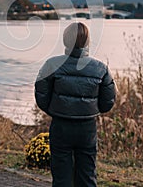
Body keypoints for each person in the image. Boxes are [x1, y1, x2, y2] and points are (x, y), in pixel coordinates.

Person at [35, 22, 116, 187]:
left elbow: (41, 95)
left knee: (61, 178)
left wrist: (56, 110)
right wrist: (90, 110)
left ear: (65, 40)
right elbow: (107, 102)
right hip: (87, 128)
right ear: (87, 42)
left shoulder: (51, 64)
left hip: (60, 126)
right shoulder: (101, 68)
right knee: (87, 177)